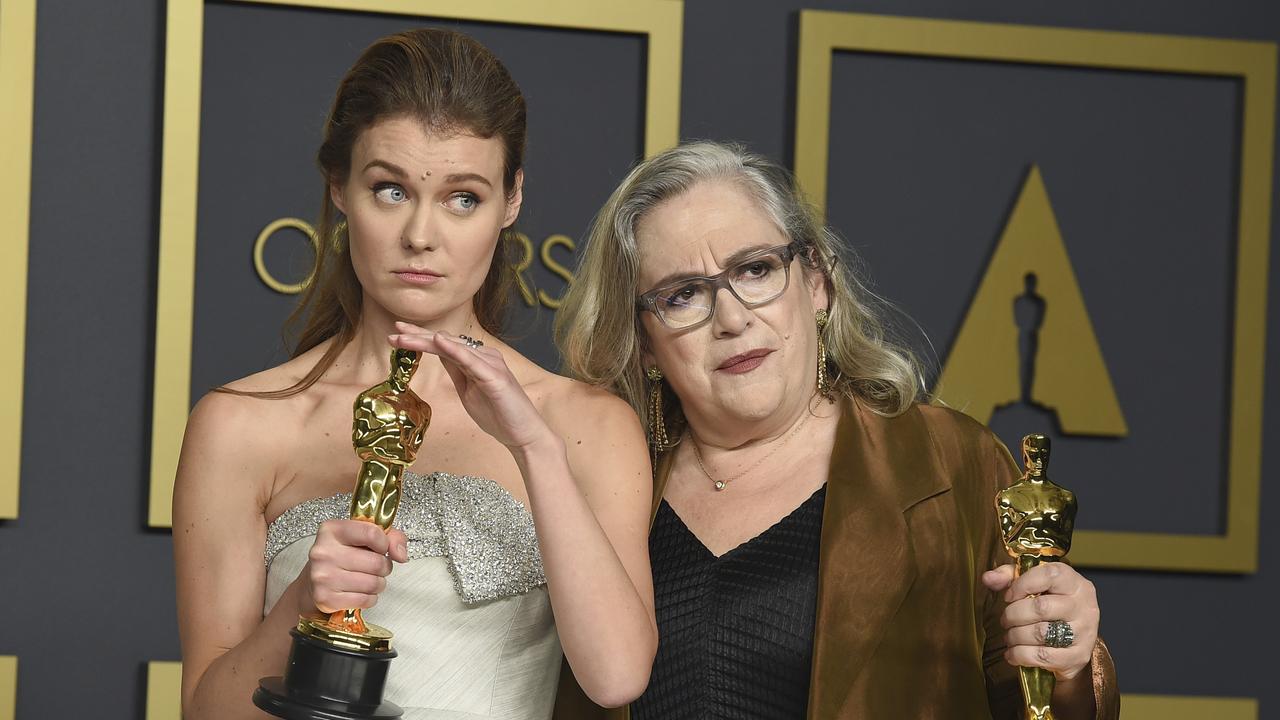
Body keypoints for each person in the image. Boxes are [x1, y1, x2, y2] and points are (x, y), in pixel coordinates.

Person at [173, 28, 656, 720]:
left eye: (464, 198)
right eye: (391, 190)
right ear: (339, 187)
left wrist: (535, 447)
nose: (422, 236)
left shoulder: (585, 425)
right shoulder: (240, 425)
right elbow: (204, 711)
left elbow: (616, 678)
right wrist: (301, 604)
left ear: (511, 200)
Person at [553, 141, 1118, 719]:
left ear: (816, 282)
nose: (732, 318)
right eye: (683, 294)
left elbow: (1040, 700)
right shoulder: (603, 482)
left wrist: (1067, 664)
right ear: (644, 342)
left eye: (755, 269)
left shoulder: (950, 464)